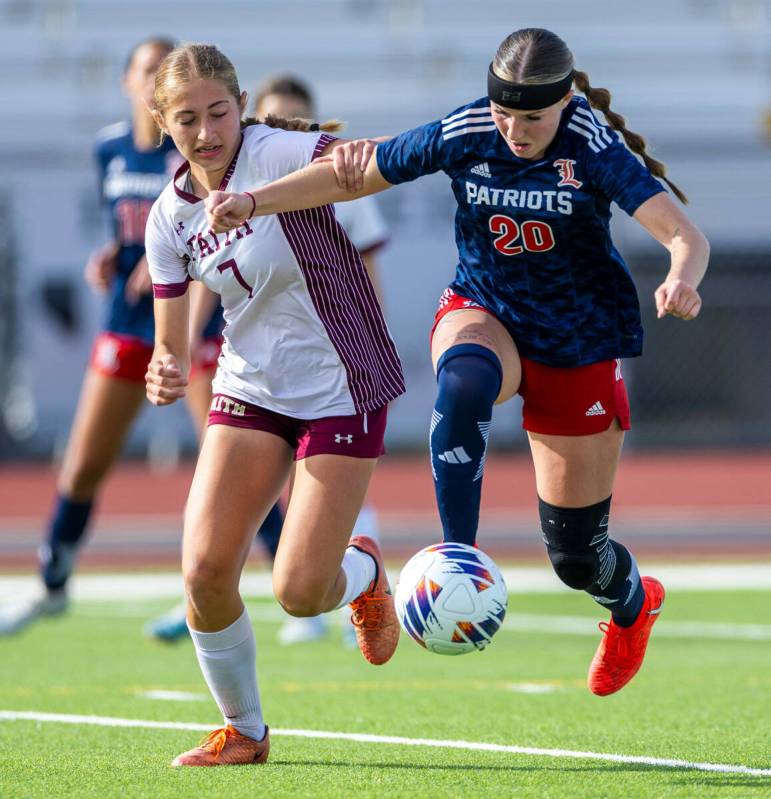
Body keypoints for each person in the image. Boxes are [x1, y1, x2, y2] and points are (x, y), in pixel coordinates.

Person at [204, 28, 710, 698]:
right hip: (485, 308)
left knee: (576, 557)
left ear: (562, 105)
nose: (513, 130)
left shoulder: (589, 146)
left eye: (529, 118)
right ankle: (457, 559)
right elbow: (356, 171)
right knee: (463, 381)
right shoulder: (468, 128)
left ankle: (631, 604)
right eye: (504, 113)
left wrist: (681, 278)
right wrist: (254, 200)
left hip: (578, 338)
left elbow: (685, 235)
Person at [144, 43, 404, 766]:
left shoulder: (276, 150)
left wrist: (259, 199)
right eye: (187, 118)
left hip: (339, 379)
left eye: (218, 112)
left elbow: (368, 161)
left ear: (239, 107)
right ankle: (246, 730)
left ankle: (365, 574)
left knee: (298, 591)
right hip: (250, 386)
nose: (206, 132)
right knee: (202, 572)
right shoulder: (168, 219)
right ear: (162, 123)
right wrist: (165, 365)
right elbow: (171, 338)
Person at [0, 37, 241, 636]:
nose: (156, 80)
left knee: (225, 464)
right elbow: (129, 225)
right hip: (128, 321)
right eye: (146, 72)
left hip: (195, 320)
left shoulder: (195, 147)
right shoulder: (109, 146)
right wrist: (114, 253)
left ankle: (222, 590)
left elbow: (212, 234)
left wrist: (180, 306)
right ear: (131, 85)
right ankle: (52, 583)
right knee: (83, 465)